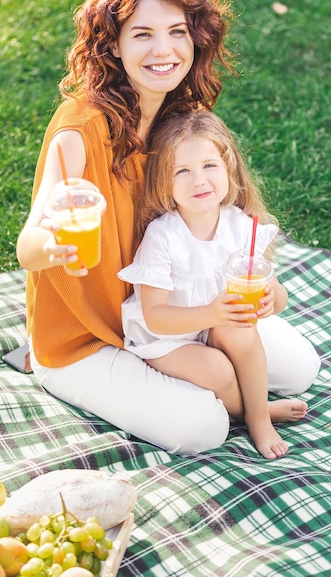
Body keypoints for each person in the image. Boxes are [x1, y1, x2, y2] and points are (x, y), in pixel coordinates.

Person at [16, 0, 320, 455]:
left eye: (177, 31)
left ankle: (234, 395)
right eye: (142, 34)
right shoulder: (79, 130)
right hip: (87, 339)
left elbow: (217, 222)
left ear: (195, 37)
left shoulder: (180, 118)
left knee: (299, 369)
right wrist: (56, 246)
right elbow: (29, 245)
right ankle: (46, 365)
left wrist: (261, 291)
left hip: (174, 310)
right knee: (201, 430)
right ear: (112, 45)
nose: (165, 50)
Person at [119, 111, 308, 459]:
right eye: (182, 171)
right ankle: (254, 413)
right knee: (217, 368)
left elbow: (279, 299)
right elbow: (156, 317)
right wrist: (210, 312)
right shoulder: (163, 237)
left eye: (209, 166)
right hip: (168, 338)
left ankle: (258, 417)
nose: (199, 181)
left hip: (213, 324)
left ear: (228, 169)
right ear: (164, 181)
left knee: (243, 332)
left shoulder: (242, 228)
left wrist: (271, 298)